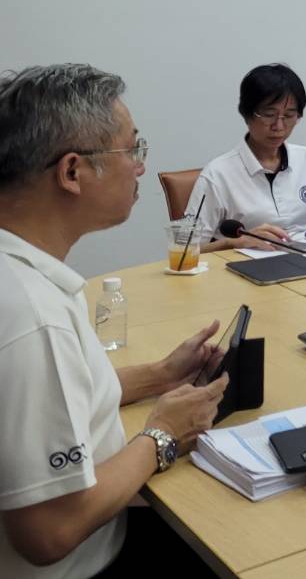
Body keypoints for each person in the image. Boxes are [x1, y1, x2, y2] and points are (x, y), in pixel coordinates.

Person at [0, 64, 228, 577]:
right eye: (132, 149)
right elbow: (48, 532)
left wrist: (160, 375)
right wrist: (162, 435)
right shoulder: (32, 318)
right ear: (72, 172)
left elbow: (58, 395)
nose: (141, 167)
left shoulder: (19, 276)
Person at [186, 64, 306, 251]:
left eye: (289, 116)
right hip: (246, 264)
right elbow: (185, 249)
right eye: (269, 115)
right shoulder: (217, 174)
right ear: (247, 114)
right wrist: (233, 243)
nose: (279, 126)